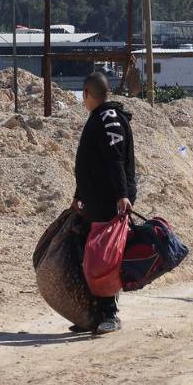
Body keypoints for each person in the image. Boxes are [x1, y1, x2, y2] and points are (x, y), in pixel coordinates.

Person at [71, 72, 137, 334]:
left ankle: (110, 314)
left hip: (109, 201)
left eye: (83, 97)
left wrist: (122, 195)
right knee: (91, 257)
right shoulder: (102, 117)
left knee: (103, 259)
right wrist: (79, 194)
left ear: (87, 93)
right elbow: (91, 163)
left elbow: (114, 160)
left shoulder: (108, 120)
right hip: (96, 199)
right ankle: (96, 314)